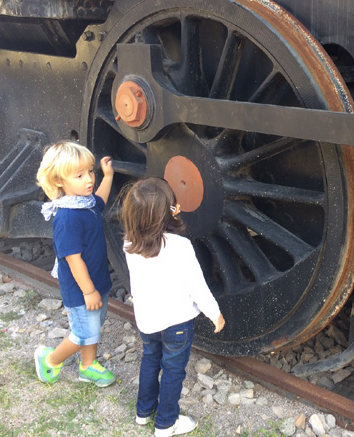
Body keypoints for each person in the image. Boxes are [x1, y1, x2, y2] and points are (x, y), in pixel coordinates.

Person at [121, 177, 225, 437]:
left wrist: (167, 211)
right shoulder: (180, 246)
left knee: (150, 361)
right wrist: (215, 314)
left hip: (147, 319)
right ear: (168, 212)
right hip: (177, 324)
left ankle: (143, 412)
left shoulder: (129, 244)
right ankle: (166, 423)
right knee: (173, 372)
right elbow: (197, 287)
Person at [34, 141, 116, 387]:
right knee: (82, 333)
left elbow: (99, 201)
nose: (89, 179)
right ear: (59, 181)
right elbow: (73, 259)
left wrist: (108, 175)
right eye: (79, 175)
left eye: (90, 171)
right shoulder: (67, 217)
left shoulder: (85, 202)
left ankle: (88, 366)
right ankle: (50, 360)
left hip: (96, 280)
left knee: (94, 328)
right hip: (81, 289)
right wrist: (89, 291)